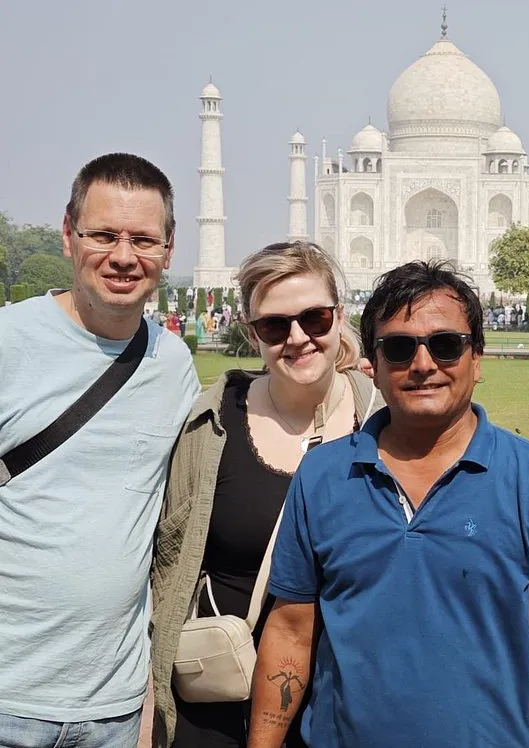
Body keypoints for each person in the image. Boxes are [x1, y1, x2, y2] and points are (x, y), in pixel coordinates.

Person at [248, 260, 529, 748]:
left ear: (477, 359)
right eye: (398, 348)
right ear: (372, 365)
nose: (422, 364)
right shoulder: (324, 475)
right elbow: (290, 632)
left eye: (446, 345)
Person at [0, 153, 199, 747]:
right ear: (69, 235)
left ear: (168, 248)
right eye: (104, 235)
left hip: (111, 705)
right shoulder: (9, 343)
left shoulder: (173, 366)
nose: (123, 256)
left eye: (143, 239)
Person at [150, 241, 383, 748]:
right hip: (220, 691)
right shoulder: (211, 424)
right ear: (252, 333)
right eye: (275, 326)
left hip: (344, 699)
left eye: (315, 318)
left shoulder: (383, 421)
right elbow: (169, 558)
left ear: (339, 317)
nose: (297, 338)